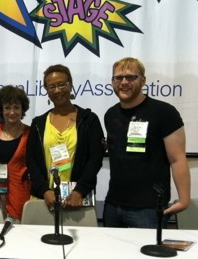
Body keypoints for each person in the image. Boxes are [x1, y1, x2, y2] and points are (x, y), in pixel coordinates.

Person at [103, 57, 190, 228]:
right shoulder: (110, 114)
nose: (124, 82)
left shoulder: (164, 113)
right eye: (118, 78)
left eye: (131, 77)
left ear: (143, 80)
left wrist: (184, 199)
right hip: (113, 205)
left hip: (148, 209)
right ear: (112, 82)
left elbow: (177, 159)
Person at [26, 64, 105, 212]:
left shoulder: (89, 120)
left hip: (77, 200)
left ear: (71, 85)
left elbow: (95, 159)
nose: (57, 90)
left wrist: (79, 191)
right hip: (44, 200)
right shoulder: (38, 123)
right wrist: (44, 190)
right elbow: (32, 161)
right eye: (51, 87)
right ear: (47, 91)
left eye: (61, 84)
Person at [0, 85, 30, 223]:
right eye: (7, 107)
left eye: (16, 107)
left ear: (22, 109)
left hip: (19, 193)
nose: (11, 112)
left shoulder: (29, 134)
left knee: (18, 235)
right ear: (1, 110)